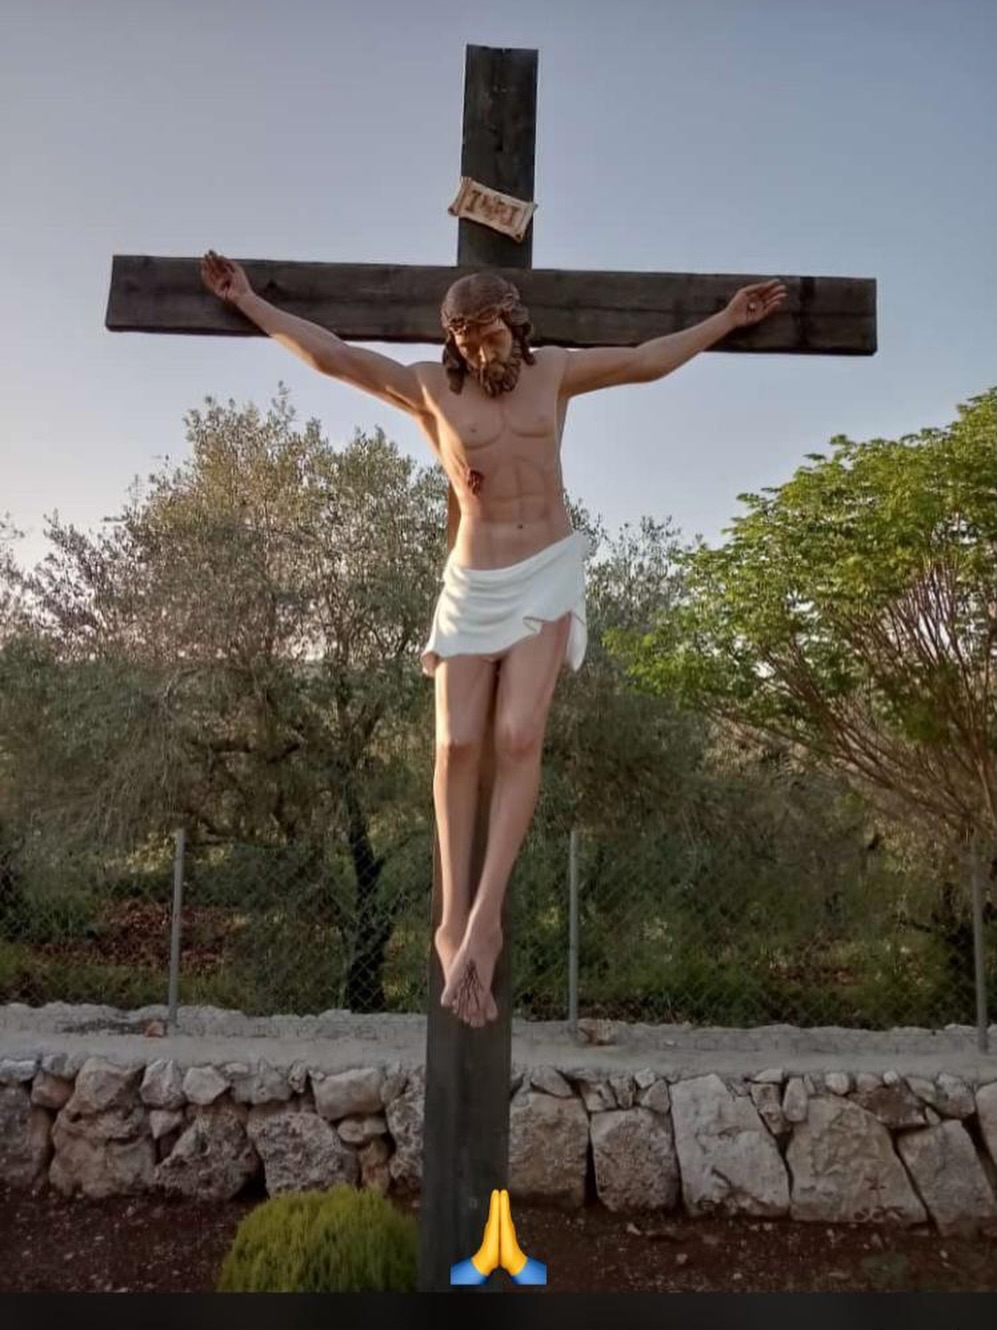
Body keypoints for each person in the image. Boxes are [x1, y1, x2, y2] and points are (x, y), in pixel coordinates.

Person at [200, 250, 787, 1029]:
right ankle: (450, 921)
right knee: (453, 745)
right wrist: (249, 302)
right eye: (467, 341)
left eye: (491, 336)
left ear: (516, 322)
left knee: (516, 735)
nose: (482, 352)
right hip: (474, 581)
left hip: (545, 569)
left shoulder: (556, 373)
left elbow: (646, 360)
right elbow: (335, 356)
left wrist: (726, 320)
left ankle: (486, 919)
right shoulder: (429, 389)